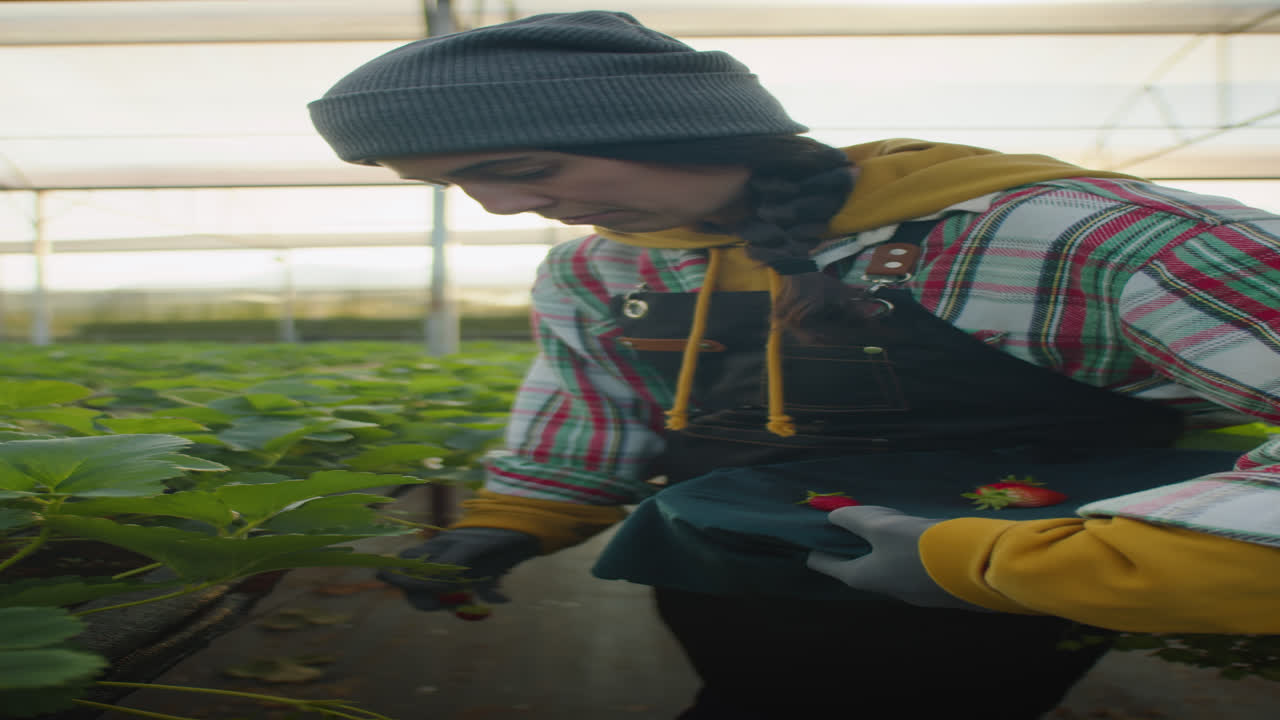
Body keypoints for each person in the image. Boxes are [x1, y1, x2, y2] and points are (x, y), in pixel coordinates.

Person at [308, 10, 1280, 719]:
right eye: (451, 185)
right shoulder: (600, 265)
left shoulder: (1077, 237)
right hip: (729, 586)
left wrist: (1002, 561)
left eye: (522, 169)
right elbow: (587, 415)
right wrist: (511, 523)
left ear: (670, 126)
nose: (500, 209)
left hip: (1008, 594)